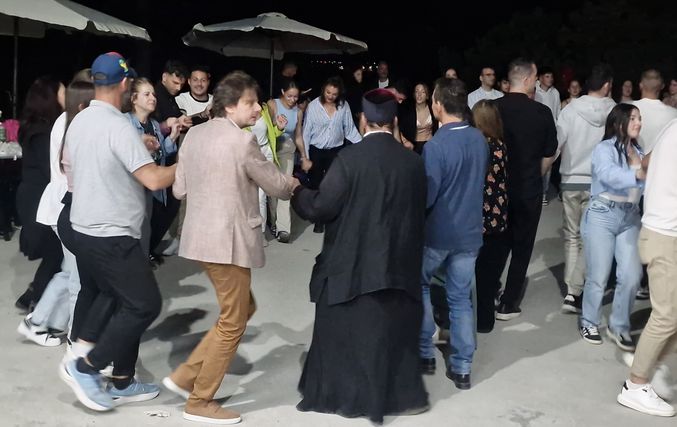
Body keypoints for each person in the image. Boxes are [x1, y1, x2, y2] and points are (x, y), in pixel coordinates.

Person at [162, 71, 299, 425]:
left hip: (201, 239)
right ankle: (200, 400)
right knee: (233, 320)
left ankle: (186, 376)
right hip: (228, 242)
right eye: (250, 103)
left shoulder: (194, 135)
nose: (256, 110)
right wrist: (293, 184)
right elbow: (275, 185)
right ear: (229, 106)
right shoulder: (243, 141)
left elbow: (179, 190)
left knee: (242, 307)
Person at [292, 88, 429, 423]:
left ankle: (346, 397)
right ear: (393, 121)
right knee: (389, 337)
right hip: (398, 266)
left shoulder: (349, 160)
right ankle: (393, 397)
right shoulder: (413, 163)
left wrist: (298, 192)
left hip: (352, 266)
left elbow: (321, 207)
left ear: (363, 120)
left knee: (346, 336)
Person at [60, 52, 176, 412]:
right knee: (144, 304)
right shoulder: (118, 126)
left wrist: (136, 151)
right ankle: (87, 368)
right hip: (112, 233)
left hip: (82, 228)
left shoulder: (81, 119)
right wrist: (188, 163)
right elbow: (154, 179)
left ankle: (83, 351)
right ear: (125, 84)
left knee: (111, 293)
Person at [418, 78, 488, 389]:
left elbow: (428, 196)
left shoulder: (435, 146)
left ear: (438, 105)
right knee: (460, 298)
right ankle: (462, 367)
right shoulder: (479, 139)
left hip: (439, 233)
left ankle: (424, 350)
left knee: (421, 284)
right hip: (469, 233)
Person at [617, 118, 677, 417]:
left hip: (662, 230)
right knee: (666, 315)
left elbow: (646, 162)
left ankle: (653, 365)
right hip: (666, 234)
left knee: (673, 314)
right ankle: (636, 385)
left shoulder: (672, 126)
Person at [493, 58, 558, 320]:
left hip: (496, 190)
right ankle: (508, 303)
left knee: (495, 244)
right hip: (528, 188)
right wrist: (535, 174)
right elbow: (549, 153)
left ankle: (487, 293)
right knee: (522, 246)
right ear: (529, 79)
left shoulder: (492, 109)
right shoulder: (541, 113)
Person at [579, 104, 645, 350]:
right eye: (633, 118)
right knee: (598, 275)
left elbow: (644, 186)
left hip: (630, 217)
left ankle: (619, 326)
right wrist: (637, 174)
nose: (638, 122)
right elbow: (608, 175)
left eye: (640, 118)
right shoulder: (604, 149)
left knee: (632, 275)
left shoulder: (639, 150)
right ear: (618, 123)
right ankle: (589, 321)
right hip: (603, 214)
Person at [556, 64, 616, 314]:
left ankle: (571, 291)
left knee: (572, 236)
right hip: (599, 182)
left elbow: (557, 143)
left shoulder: (570, 109)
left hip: (571, 178)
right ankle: (576, 291)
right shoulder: (614, 111)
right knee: (589, 238)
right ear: (606, 85)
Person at [15, 77, 65, 312]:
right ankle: (37, 302)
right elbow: (51, 169)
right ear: (50, 98)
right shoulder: (42, 132)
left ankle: (33, 296)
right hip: (37, 199)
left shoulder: (40, 127)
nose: (67, 95)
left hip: (36, 195)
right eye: (63, 92)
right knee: (56, 250)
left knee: (56, 252)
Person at [302, 76, 362, 232]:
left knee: (333, 184)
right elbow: (306, 132)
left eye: (334, 94)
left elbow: (349, 129)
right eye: (328, 92)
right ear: (323, 90)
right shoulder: (313, 106)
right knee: (316, 184)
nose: (330, 96)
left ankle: (331, 216)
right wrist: (305, 156)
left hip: (335, 150)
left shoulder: (343, 106)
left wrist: (363, 144)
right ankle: (318, 219)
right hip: (316, 150)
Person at [472, 99, 508, 333]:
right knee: (490, 271)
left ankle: (478, 319)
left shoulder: (477, 147)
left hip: (478, 215)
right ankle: (486, 320)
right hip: (498, 214)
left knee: (477, 272)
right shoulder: (500, 146)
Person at [266, 78, 305, 243]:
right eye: (289, 96)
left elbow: (298, 136)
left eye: (295, 97)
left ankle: (283, 228)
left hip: (287, 150)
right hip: (271, 148)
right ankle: (273, 221)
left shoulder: (298, 111)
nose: (292, 100)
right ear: (282, 92)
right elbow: (266, 128)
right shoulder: (272, 104)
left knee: (285, 187)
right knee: (271, 190)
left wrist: (304, 156)